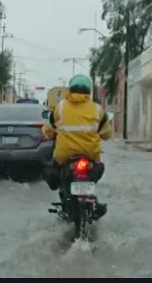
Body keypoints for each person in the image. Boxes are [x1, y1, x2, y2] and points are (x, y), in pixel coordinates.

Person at [42, 74, 112, 219]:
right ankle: (93, 200)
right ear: (89, 91)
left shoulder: (60, 108)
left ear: (70, 89)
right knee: (99, 169)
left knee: (52, 173)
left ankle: (65, 200)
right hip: (90, 157)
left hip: (64, 158)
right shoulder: (98, 110)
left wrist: (48, 134)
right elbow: (107, 134)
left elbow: (48, 130)